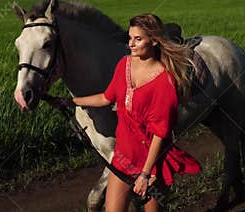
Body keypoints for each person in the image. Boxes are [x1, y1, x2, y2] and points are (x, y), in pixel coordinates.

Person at [47, 14, 201, 212]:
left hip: (152, 164)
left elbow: (160, 134)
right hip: (124, 158)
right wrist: (69, 102)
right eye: (130, 38)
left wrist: (145, 175)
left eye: (138, 39)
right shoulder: (124, 65)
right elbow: (106, 98)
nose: (131, 44)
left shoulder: (165, 82)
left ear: (154, 40)